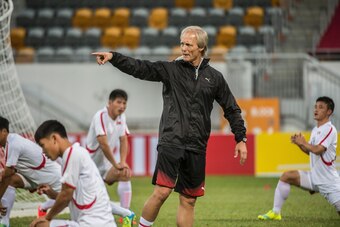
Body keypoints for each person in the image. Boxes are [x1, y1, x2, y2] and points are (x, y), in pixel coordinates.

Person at [92, 25, 248, 227]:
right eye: (182, 43)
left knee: (189, 200)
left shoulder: (215, 78)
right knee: (162, 192)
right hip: (171, 141)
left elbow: (232, 108)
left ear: (201, 47)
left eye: (188, 44)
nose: (183, 48)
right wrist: (114, 57)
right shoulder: (170, 70)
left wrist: (240, 138)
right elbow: (140, 68)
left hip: (197, 146)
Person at [258, 96, 340, 220]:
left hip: (329, 182)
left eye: (321, 107)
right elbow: (311, 152)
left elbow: (318, 150)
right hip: (314, 178)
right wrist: (300, 144)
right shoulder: (315, 130)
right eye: (315, 107)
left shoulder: (330, 129)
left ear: (329, 112)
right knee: (286, 176)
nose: (316, 110)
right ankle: (275, 212)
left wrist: (304, 143)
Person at [30, 120, 116, 227]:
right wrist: (52, 193)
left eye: (42, 145)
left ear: (54, 139)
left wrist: (46, 217)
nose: (43, 151)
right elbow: (70, 198)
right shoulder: (74, 153)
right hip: (96, 223)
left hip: (93, 224)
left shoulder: (72, 154)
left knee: (40, 226)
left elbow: (66, 196)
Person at [0, 116, 61, 227]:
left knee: (73, 200)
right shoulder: (11, 142)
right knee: (10, 180)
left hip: (54, 178)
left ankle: (43, 208)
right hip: (36, 178)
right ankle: (4, 223)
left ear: (4, 131)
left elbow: (6, 175)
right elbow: (10, 174)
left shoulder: (13, 144)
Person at [86, 89, 135, 225]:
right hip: (89, 166)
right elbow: (103, 144)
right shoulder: (100, 116)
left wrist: (123, 162)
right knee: (78, 195)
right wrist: (115, 163)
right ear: (109, 103)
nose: (122, 106)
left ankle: (126, 215)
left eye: (124, 103)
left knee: (125, 172)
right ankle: (43, 208)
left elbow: (124, 139)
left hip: (106, 165)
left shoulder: (121, 117)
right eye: (119, 102)